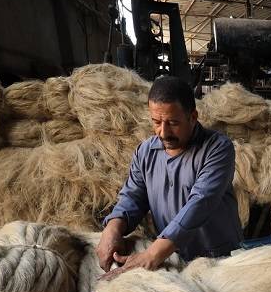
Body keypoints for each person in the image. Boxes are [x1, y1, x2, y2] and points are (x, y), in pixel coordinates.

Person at [96, 76, 243, 277]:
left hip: (218, 261)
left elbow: (201, 203)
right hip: (172, 260)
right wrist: (113, 228)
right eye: (156, 122)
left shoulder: (217, 148)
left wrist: (152, 254)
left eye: (173, 123)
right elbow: (133, 197)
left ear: (193, 117)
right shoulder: (146, 152)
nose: (163, 132)